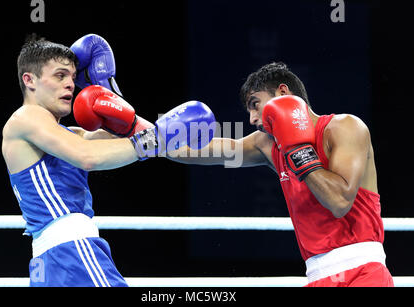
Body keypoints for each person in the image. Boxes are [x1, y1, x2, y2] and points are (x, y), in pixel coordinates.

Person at [1, 35, 215, 287]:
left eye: (72, 77)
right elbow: (88, 157)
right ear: (29, 80)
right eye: (60, 76)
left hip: (54, 260)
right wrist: (156, 137)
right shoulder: (26, 117)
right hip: (72, 253)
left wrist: (108, 91)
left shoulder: (71, 134)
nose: (70, 84)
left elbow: (140, 136)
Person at [168, 62, 394, 287]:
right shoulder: (267, 145)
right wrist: (148, 136)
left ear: (283, 92)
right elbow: (199, 151)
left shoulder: (345, 127)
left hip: (364, 273)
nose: (252, 119)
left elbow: (339, 202)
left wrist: (297, 151)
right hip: (317, 276)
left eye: (255, 105)